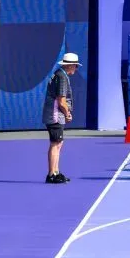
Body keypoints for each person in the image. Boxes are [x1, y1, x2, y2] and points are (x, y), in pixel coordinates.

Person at [43, 52, 80, 184]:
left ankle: (56, 172)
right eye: (76, 66)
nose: (76, 68)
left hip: (55, 114)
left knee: (59, 143)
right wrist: (67, 113)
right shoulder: (62, 78)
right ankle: (51, 174)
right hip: (55, 115)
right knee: (55, 144)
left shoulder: (59, 74)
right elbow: (61, 101)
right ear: (70, 65)